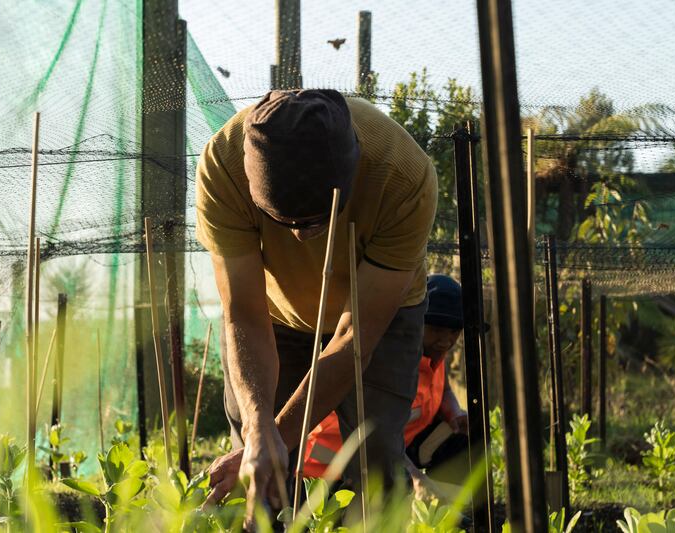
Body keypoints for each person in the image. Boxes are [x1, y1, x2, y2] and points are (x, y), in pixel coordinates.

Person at [194, 89, 437, 524]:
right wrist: (258, 431)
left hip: (377, 320)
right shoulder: (222, 169)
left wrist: (279, 435)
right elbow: (244, 314)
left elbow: (352, 339)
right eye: (283, 221)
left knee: (375, 452)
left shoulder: (402, 174)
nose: (304, 238)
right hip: (271, 316)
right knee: (255, 463)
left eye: (316, 221)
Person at [303, 275, 471, 497]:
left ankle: (452, 511)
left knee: (465, 439)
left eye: (454, 332)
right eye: (438, 330)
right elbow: (377, 437)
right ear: (416, 324)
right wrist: (415, 476)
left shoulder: (432, 355)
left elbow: (444, 388)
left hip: (397, 444)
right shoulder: (391, 364)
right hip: (333, 462)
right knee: (394, 490)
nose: (446, 340)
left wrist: (454, 413)